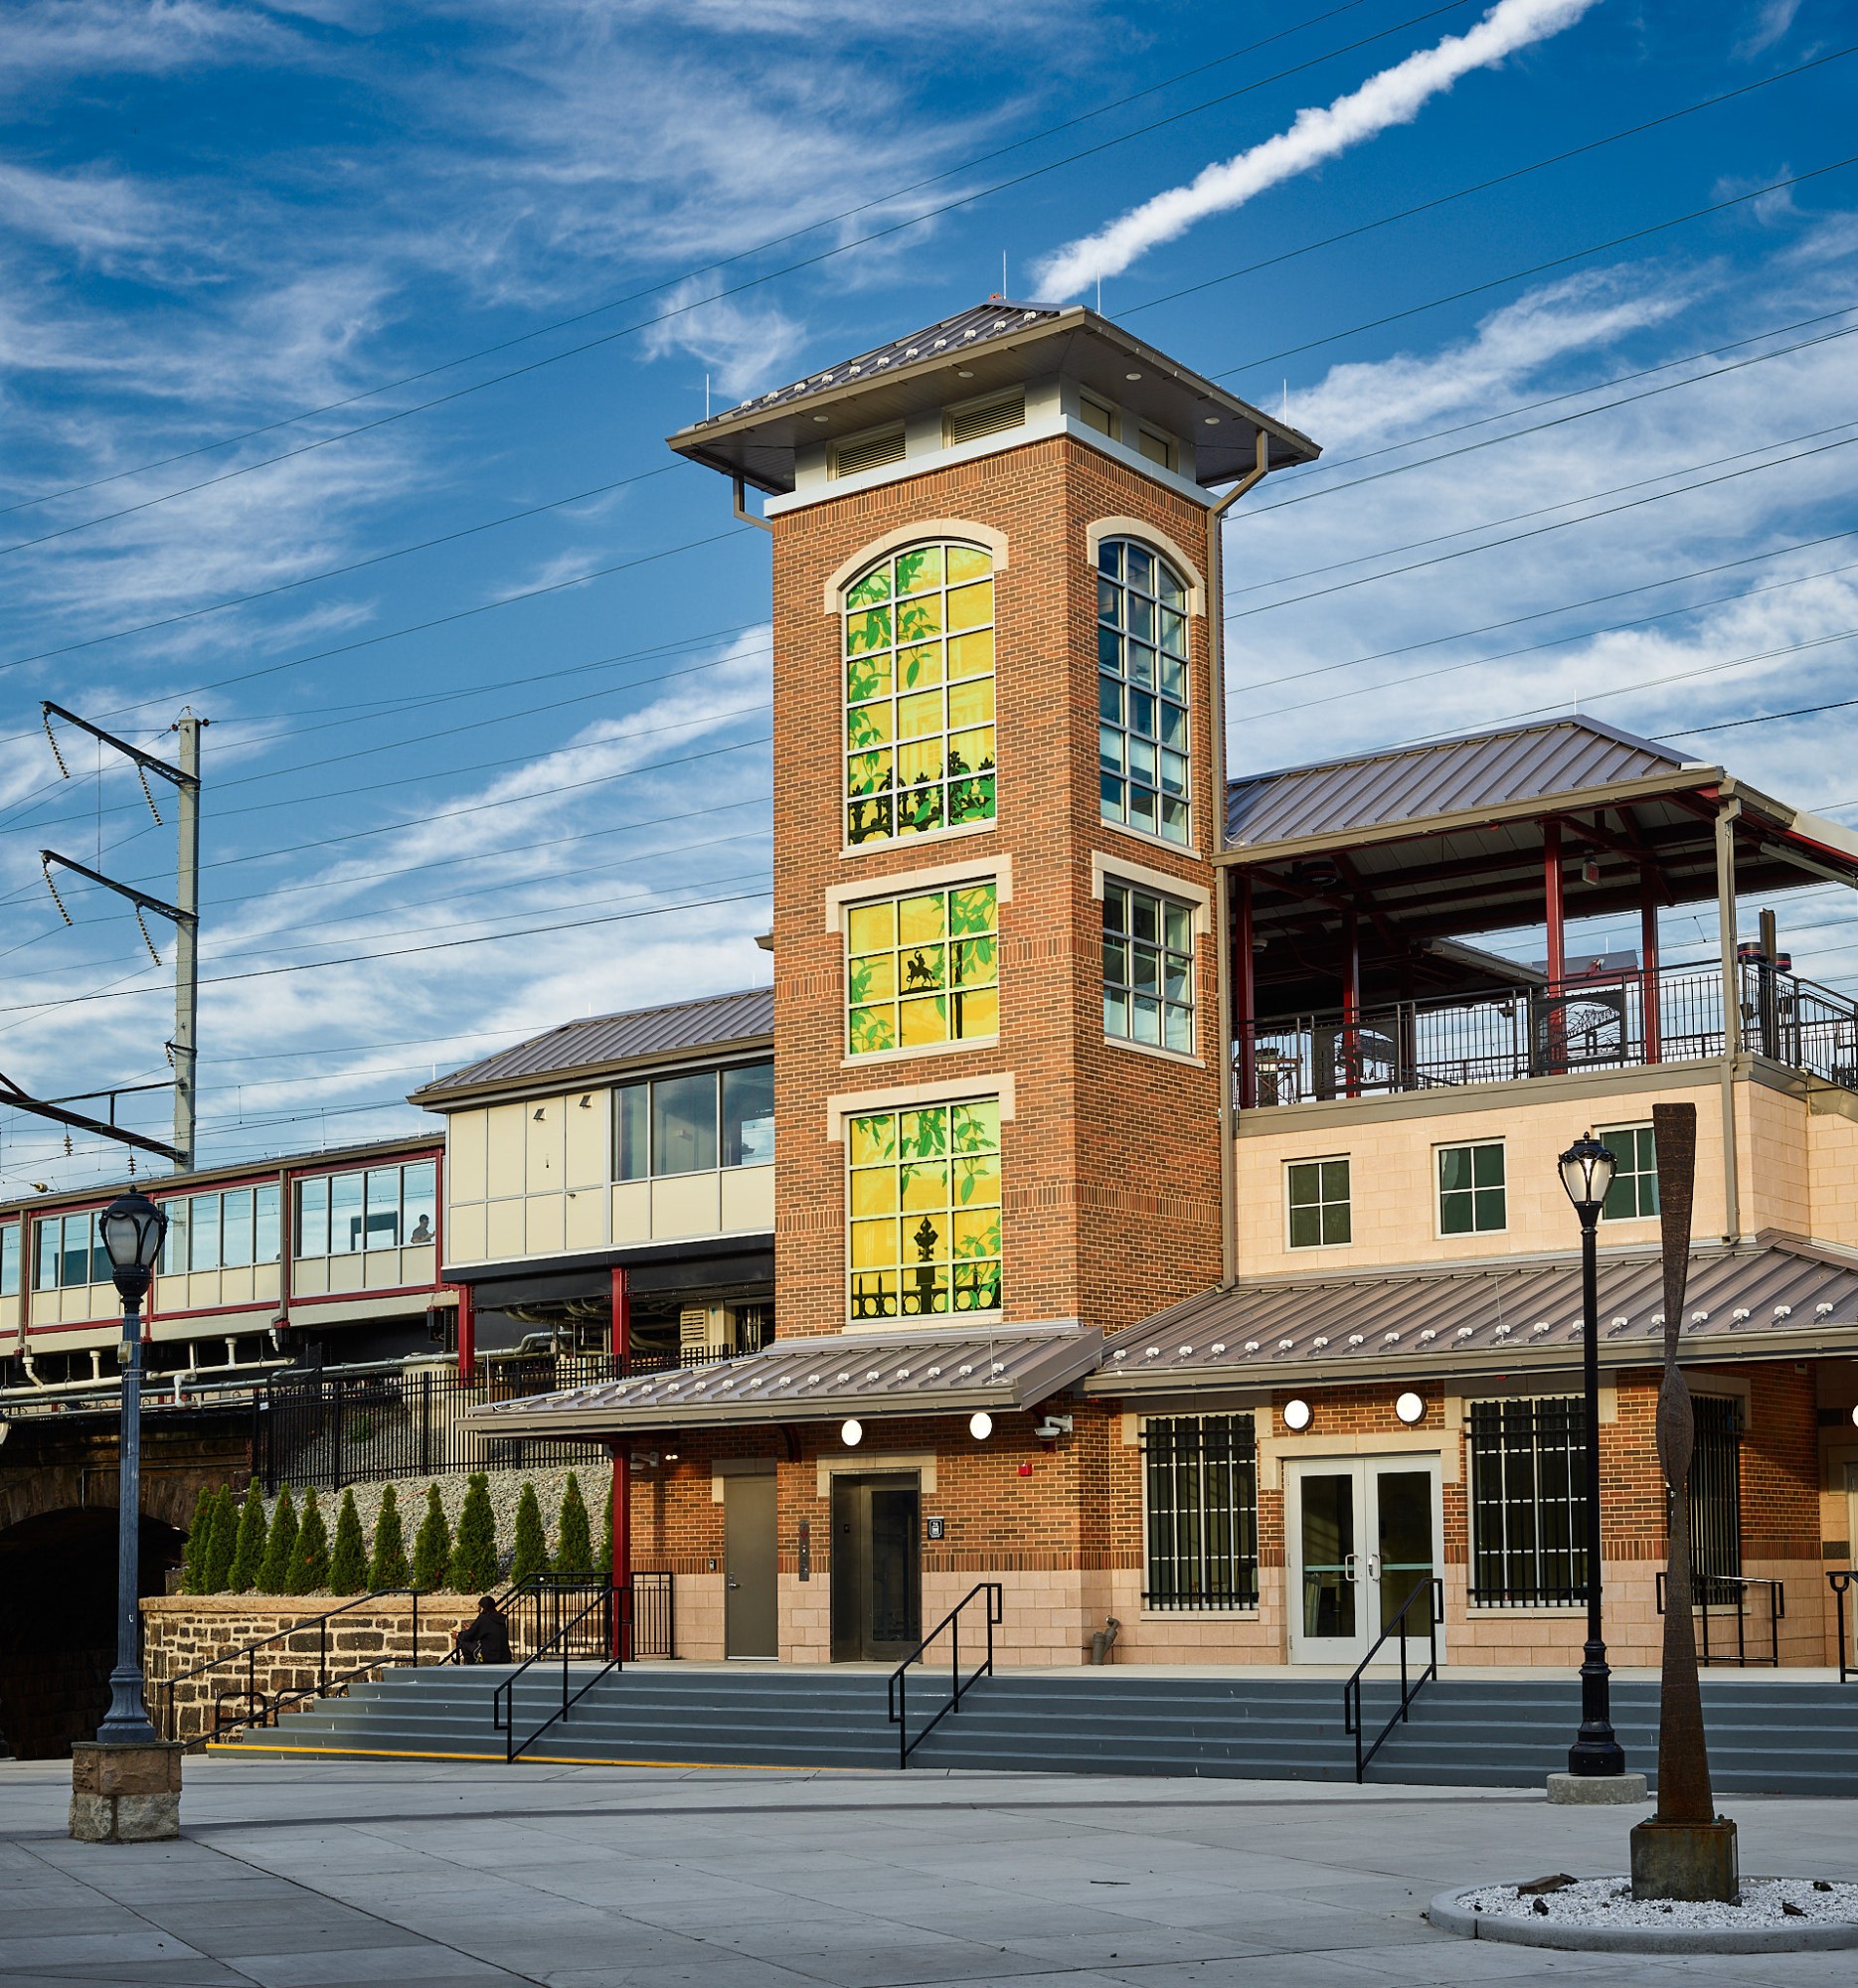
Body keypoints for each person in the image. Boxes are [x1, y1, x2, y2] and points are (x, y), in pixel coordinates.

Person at [454, 1594, 511, 1664]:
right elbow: (485, 1631)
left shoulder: (484, 1618)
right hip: (504, 1657)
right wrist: (471, 1629)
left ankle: (471, 1666)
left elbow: (470, 1635)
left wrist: (457, 1634)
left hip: (490, 1657)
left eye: (479, 1607)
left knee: (464, 1642)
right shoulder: (499, 1617)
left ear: (482, 1608)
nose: (478, 1609)